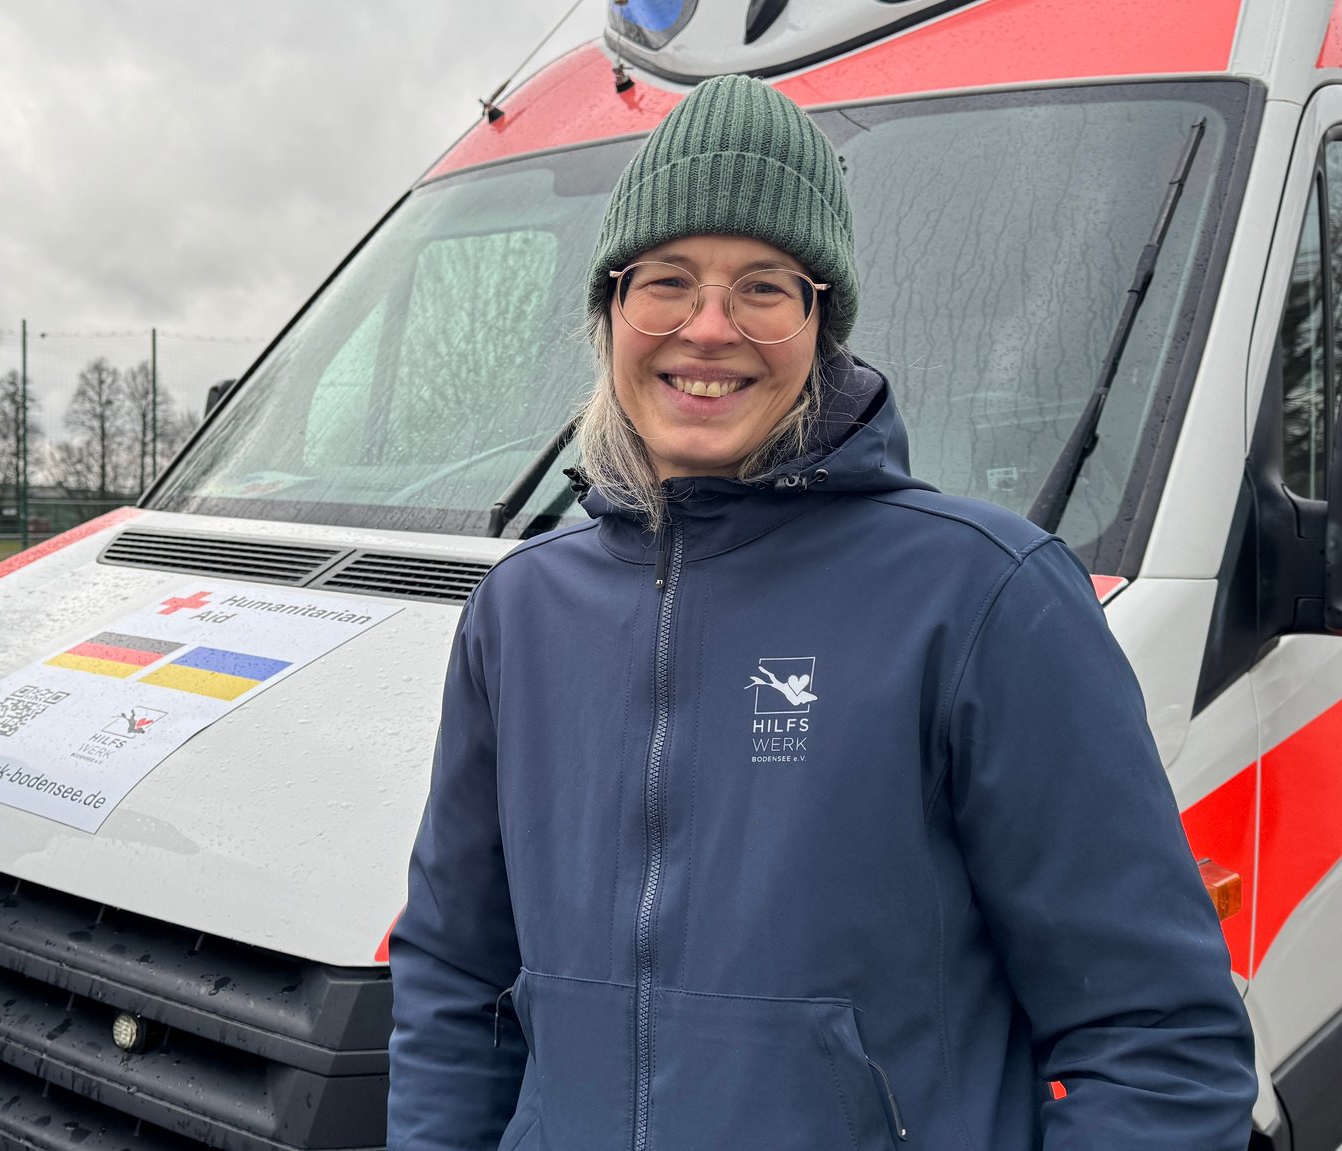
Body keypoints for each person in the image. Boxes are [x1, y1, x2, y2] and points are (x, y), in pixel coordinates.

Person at [386, 76, 1255, 1150]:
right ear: (610, 309)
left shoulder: (981, 594)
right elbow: (455, 971)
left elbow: (1157, 1041)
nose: (707, 329)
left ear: (818, 323)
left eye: (762, 286)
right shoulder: (519, 608)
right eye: (665, 280)